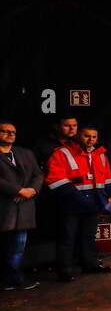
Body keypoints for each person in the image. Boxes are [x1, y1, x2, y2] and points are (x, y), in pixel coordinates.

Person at [44, 123, 111, 281]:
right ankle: (65, 271)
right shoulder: (61, 153)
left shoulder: (101, 154)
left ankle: (90, 265)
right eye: (86, 136)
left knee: (89, 236)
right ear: (78, 136)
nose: (90, 139)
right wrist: (81, 199)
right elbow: (55, 180)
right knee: (67, 237)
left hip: (93, 204)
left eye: (94, 136)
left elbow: (108, 177)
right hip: (70, 204)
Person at [0, 120, 43, 291]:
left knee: (18, 246)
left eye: (13, 132)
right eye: (5, 131)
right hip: (4, 206)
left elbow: (38, 174)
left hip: (24, 208)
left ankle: (14, 278)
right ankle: (7, 277)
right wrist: (18, 190)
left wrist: (31, 190)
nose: (10, 134)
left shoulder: (25, 153)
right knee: (4, 245)